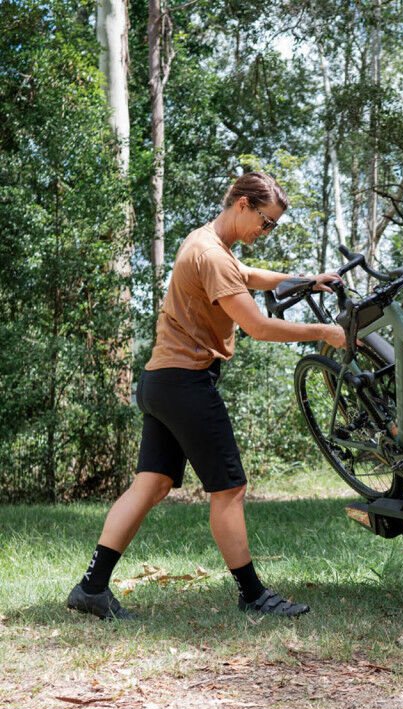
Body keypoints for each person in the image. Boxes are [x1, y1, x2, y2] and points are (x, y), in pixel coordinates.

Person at [67, 171, 345, 620]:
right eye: (266, 221)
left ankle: (91, 588)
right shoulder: (212, 255)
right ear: (242, 204)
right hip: (186, 382)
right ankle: (253, 595)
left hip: (160, 381)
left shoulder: (206, 242)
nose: (266, 231)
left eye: (273, 225)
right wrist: (324, 332)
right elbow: (258, 327)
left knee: (152, 483)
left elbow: (249, 275)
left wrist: (303, 280)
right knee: (229, 488)